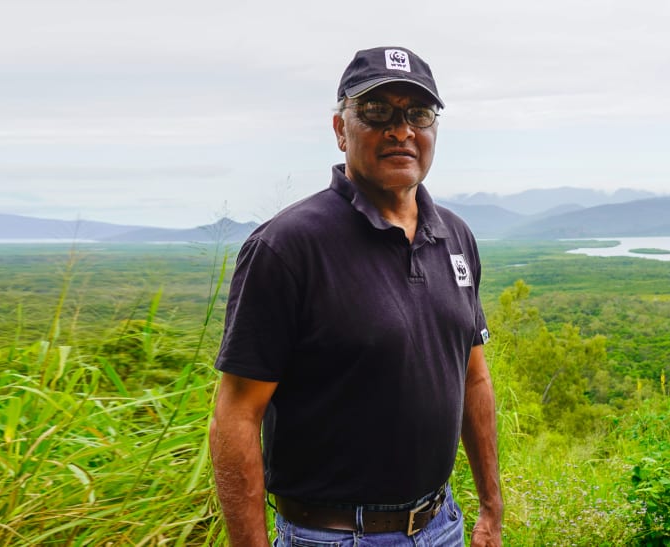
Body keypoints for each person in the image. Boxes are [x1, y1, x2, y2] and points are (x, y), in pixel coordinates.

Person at [208, 46, 503, 546]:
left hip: (441, 525)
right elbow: (236, 415)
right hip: (334, 536)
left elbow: (473, 377)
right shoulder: (286, 247)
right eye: (376, 111)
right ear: (340, 128)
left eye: (418, 113)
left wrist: (491, 508)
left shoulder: (455, 236)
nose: (401, 129)